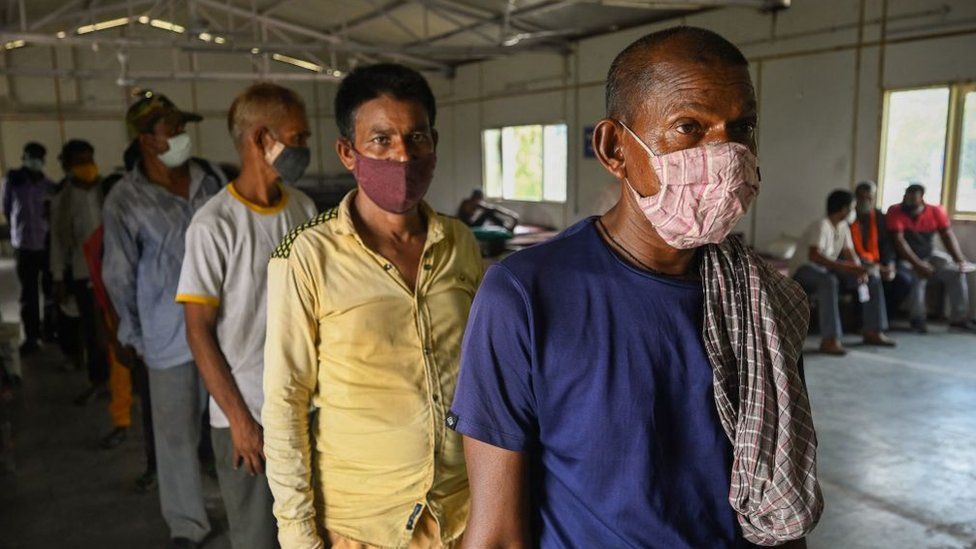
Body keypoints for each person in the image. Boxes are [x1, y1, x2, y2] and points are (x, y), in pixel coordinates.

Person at [450, 26, 821, 548]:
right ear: (614, 148)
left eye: (741, 129)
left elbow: (780, 501)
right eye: (689, 127)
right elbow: (496, 534)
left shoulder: (765, 302)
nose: (726, 153)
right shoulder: (525, 295)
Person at [263, 63, 482, 548]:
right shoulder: (306, 256)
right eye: (381, 140)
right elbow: (284, 402)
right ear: (348, 152)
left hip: (463, 518)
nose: (403, 155)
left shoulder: (460, 242)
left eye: (416, 137)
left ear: (433, 142)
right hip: (364, 527)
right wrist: (299, 535)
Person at [176, 83, 317, 549]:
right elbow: (198, 331)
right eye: (297, 138)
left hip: (308, 410)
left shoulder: (303, 208)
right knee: (258, 537)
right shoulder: (214, 225)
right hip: (249, 418)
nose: (305, 149)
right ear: (261, 139)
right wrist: (239, 420)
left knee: (314, 532)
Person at [102, 90, 226, 549]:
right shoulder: (125, 199)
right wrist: (132, 336)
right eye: (170, 129)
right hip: (167, 337)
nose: (180, 136)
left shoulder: (207, 180)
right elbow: (118, 274)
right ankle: (187, 525)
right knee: (175, 437)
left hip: (221, 330)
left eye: (180, 127)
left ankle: (242, 505)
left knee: (233, 425)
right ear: (146, 140)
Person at [791, 189, 895, 354]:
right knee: (829, 281)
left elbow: (849, 252)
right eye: (853, 207)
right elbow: (814, 256)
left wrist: (858, 270)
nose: (854, 211)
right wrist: (848, 268)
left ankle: (873, 330)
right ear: (844, 209)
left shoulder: (843, 226)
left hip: (826, 269)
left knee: (872, 278)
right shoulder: (821, 225)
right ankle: (830, 339)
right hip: (805, 270)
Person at [49, 140, 109, 404]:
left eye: (89, 160)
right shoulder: (63, 199)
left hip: (114, 272)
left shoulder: (108, 190)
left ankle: (125, 383)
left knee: (120, 329)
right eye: (80, 162)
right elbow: (58, 243)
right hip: (85, 274)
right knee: (93, 332)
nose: (87, 167)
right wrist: (58, 277)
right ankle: (99, 382)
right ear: (69, 166)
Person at [886, 183, 975, 333]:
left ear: (921, 199)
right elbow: (900, 243)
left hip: (929, 255)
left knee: (956, 272)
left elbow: (947, 236)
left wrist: (960, 260)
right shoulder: (895, 211)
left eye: (913, 199)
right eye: (906, 198)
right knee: (917, 275)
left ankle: (959, 319)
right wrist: (918, 264)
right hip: (906, 259)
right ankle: (918, 319)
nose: (909, 203)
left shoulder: (935, 211)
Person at [2, 142, 56, 354]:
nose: (34, 161)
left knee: (50, 290)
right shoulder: (13, 183)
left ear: (43, 161)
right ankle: (32, 337)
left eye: (38, 157)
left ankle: (51, 331)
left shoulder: (48, 186)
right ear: (24, 158)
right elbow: (6, 209)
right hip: (24, 246)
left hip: (46, 245)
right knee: (29, 293)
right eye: (30, 156)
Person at [851, 181, 911, 320]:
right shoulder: (848, 216)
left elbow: (887, 244)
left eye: (869, 198)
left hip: (880, 262)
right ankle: (862, 321)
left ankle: (884, 319)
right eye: (862, 197)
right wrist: (876, 268)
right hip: (856, 263)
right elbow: (847, 250)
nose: (865, 201)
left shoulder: (879, 216)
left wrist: (889, 264)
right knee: (868, 278)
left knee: (904, 280)